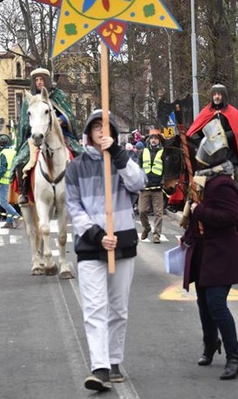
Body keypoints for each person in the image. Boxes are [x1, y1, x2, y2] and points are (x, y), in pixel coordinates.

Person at [65, 110, 146, 391]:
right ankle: (99, 368)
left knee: (118, 308)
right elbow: (74, 207)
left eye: (106, 127)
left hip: (123, 242)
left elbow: (138, 183)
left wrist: (119, 155)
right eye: (96, 127)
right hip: (91, 245)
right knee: (94, 307)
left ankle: (114, 360)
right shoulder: (76, 167)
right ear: (88, 133)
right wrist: (98, 236)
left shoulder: (125, 160)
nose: (101, 131)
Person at [181, 118, 238, 380]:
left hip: (222, 252)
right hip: (203, 252)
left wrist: (200, 210)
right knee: (203, 303)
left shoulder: (222, 184)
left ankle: (234, 356)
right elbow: (194, 216)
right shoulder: (202, 181)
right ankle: (210, 345)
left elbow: (231, 217)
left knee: (216, 304)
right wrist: (187, 235)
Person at [186, 84, 238, 243]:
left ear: (224, 96)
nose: (217, 97)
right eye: (215, 94)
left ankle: (237, 209)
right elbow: (193, 133)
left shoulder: (232, 113)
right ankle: (192, 213)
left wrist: (222, 136)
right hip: (209, 161)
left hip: (230, 159)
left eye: (220, 94)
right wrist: (204, 140)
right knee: (196, 185)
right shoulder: (207, 113)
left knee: (237, 182)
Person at [13, 67, 81, 204]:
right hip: (36, 135)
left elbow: (70, 116)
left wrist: (61, 120)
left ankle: (82, 188)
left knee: (81, 154)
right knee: (20, 159)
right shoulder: (30, 100)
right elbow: (24, 123)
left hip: (60, 133)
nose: (39, 82)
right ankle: (23, 191)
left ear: (47, 81)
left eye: (41, 79)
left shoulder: (58, 96)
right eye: (36, 80)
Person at [138, 132, 165, 243]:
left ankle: (156, 235)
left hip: (158, 188)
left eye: (156, 139)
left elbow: (166, 169)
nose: (153, 140)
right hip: (145, 187)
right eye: (152, 138)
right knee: (142, 211)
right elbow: (138, 167)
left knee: (158, 213)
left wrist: (163, 182)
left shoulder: (163, 153)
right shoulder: (143, 152)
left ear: (159, 141)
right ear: (149, 140)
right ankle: (147, 227)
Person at [0, 135, 20, 229]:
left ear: (0, 145)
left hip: (4, 181)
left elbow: (3, 168)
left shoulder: (3, 153)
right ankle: (9, 222)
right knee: (9, 202)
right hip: (13, 180)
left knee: (3, 202)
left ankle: (16, 216)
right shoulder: (14, 152)